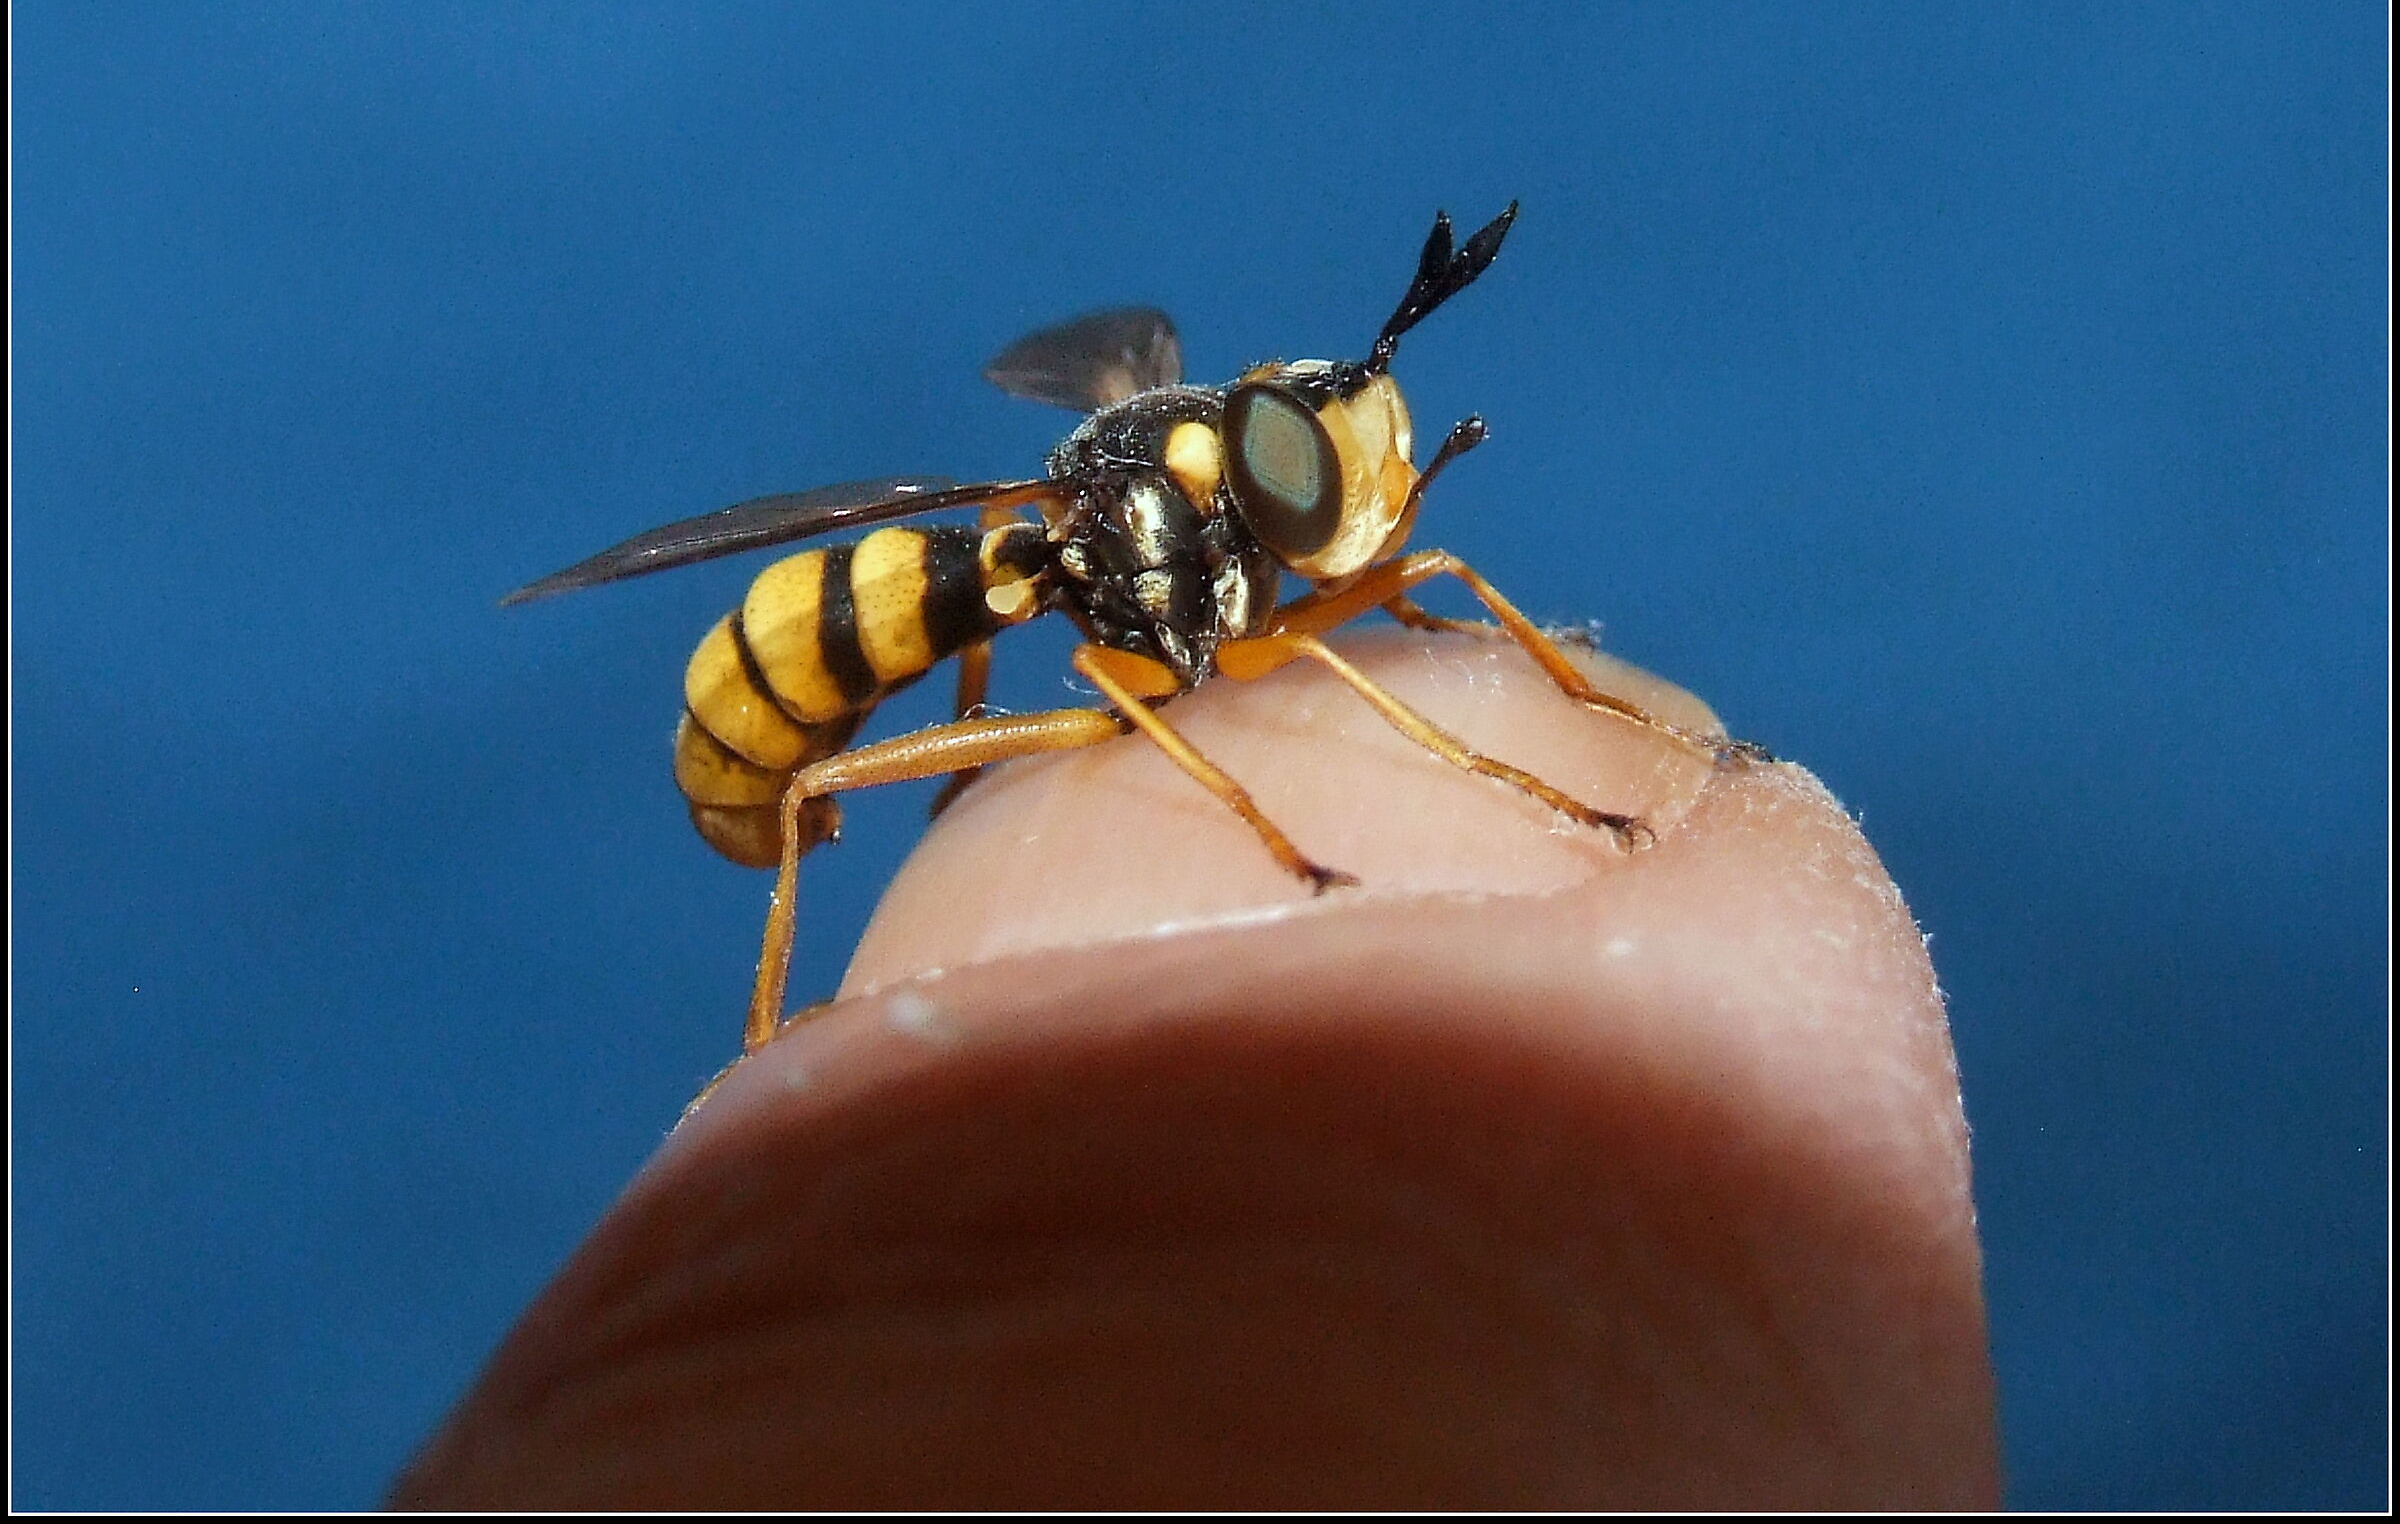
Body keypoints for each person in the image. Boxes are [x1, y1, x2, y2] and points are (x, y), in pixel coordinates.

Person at [392, 631, 2000, 1508]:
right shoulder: (1132, 572)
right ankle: (769, 1045)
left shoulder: (1261, 555)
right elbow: (1106, 674)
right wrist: (1279, 833)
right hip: (776, 686)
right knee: (875, 726)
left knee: (1414, 577)